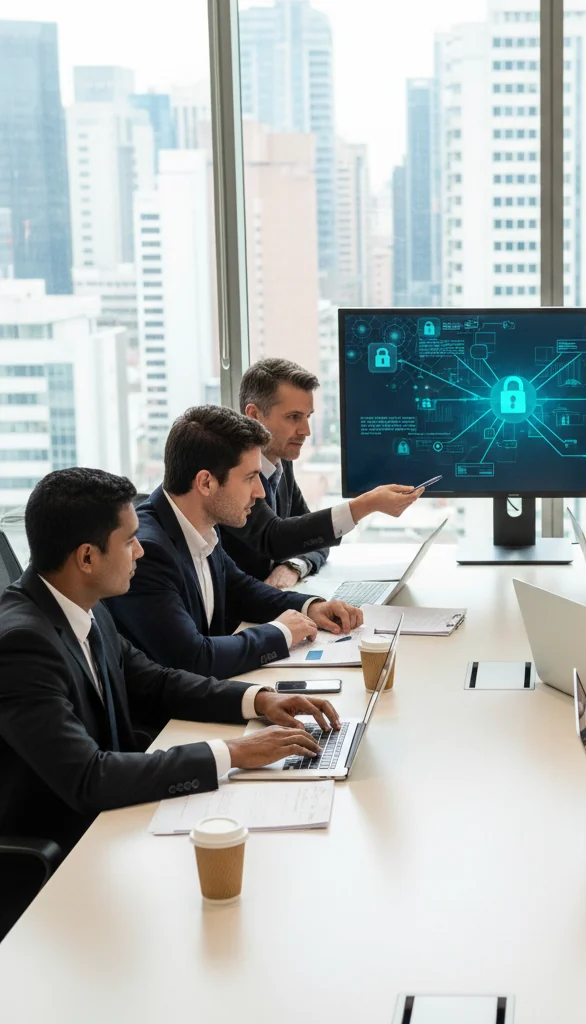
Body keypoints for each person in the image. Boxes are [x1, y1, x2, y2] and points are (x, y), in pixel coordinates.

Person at [0, 468, 341, 856]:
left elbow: (155, 681)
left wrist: (259, 700)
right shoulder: (23, 645)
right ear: (87, 557)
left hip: (115, 820)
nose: (140, 550)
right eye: (129, 541)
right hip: (66, 853)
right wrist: (233, 753)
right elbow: (88, 777)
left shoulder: (80, 603)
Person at [106, 405, 365, 679]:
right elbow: (193, 659)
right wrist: (281, 632)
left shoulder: (199, 527)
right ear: (206, 483)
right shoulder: (149, 552)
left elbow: (240, 589)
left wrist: (311, 607)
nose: (260, 492)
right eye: (250, 478)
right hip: (166, 719)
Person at [221, 358, 422, 589]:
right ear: (254, 415)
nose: (305, 431)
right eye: (293, 417)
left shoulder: (281, 463)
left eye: (308, 417)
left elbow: (313, 537)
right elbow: (274, 537)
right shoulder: (230, 470)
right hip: (237, 616)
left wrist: (294, 566)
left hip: (276, 602)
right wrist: (366, 504)